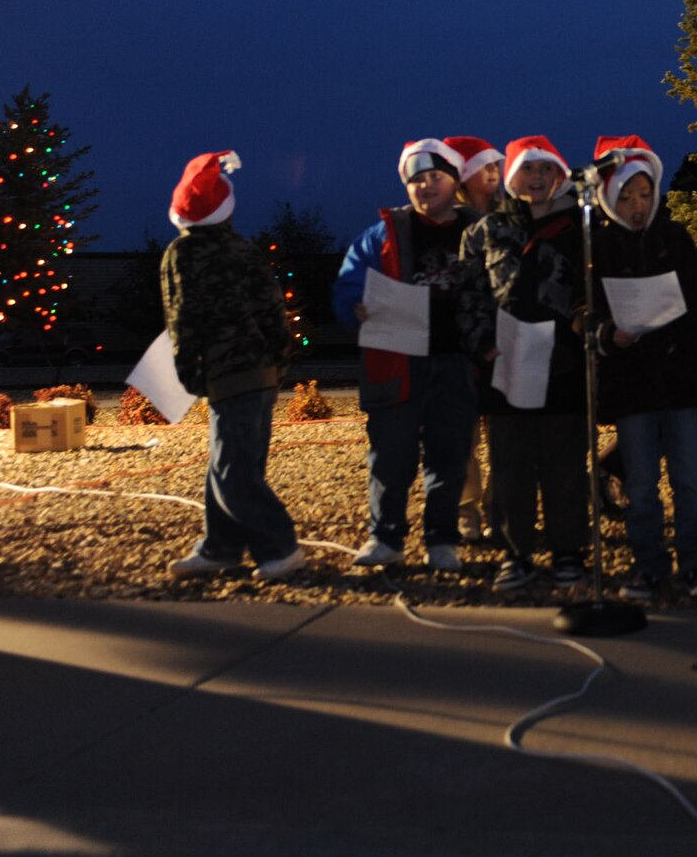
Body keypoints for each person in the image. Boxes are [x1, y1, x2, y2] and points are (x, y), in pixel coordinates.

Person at [332, 138, 492, 572]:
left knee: (450, 453)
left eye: (435, 178)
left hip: (458, 361)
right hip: (397, 362)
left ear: (453, 180)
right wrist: (354, 305)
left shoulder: (480, 228)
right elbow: (349, 281)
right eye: (416, 180)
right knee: (390, 455)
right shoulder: (382, 233)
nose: (425, 187)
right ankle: (386, 538)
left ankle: (441, 539)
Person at [586, 137, 697, 600]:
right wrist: (608, 334)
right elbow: (583, 310)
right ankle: (648, 566)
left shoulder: (674, 238)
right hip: (631, 383)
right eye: (626, 197)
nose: (636, 206)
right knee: (641, 482)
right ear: (609, 198)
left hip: (678, 379)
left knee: (691, 478)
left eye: (644, 195)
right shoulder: (599, 247)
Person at [160, 151, 302, 582]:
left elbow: (181, 319)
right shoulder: (246, 250)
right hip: (263, 373)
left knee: (231, 471)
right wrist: (280, 361)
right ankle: (220, 547)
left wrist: (187, 374)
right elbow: (274, 309)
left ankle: (280, 546)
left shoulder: (181, 255)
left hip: (227, 373)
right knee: (233, 463)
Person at [471, 135, 594, 591]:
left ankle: (568, 552)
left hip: (563, 362)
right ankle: (515, 553)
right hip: (505, 363)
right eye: (528, 169)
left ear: (560, 176)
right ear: (511, 176)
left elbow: (590, 290)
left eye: (546, 169)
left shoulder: (581, 229)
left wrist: (585, 326)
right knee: (510, 466)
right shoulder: (484, 232)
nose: (538, 178)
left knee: (565, 464)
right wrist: (482, 343)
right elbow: (472, 294)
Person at [447, 135, 506, 544]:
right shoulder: (448, 221)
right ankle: (465, 511)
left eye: (497, 166)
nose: (495, 173)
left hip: (504, 338)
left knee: (504, 432)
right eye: (485, 168)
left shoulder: (511, 215)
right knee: (460, 434)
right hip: (459, 343)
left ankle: (502, 509)